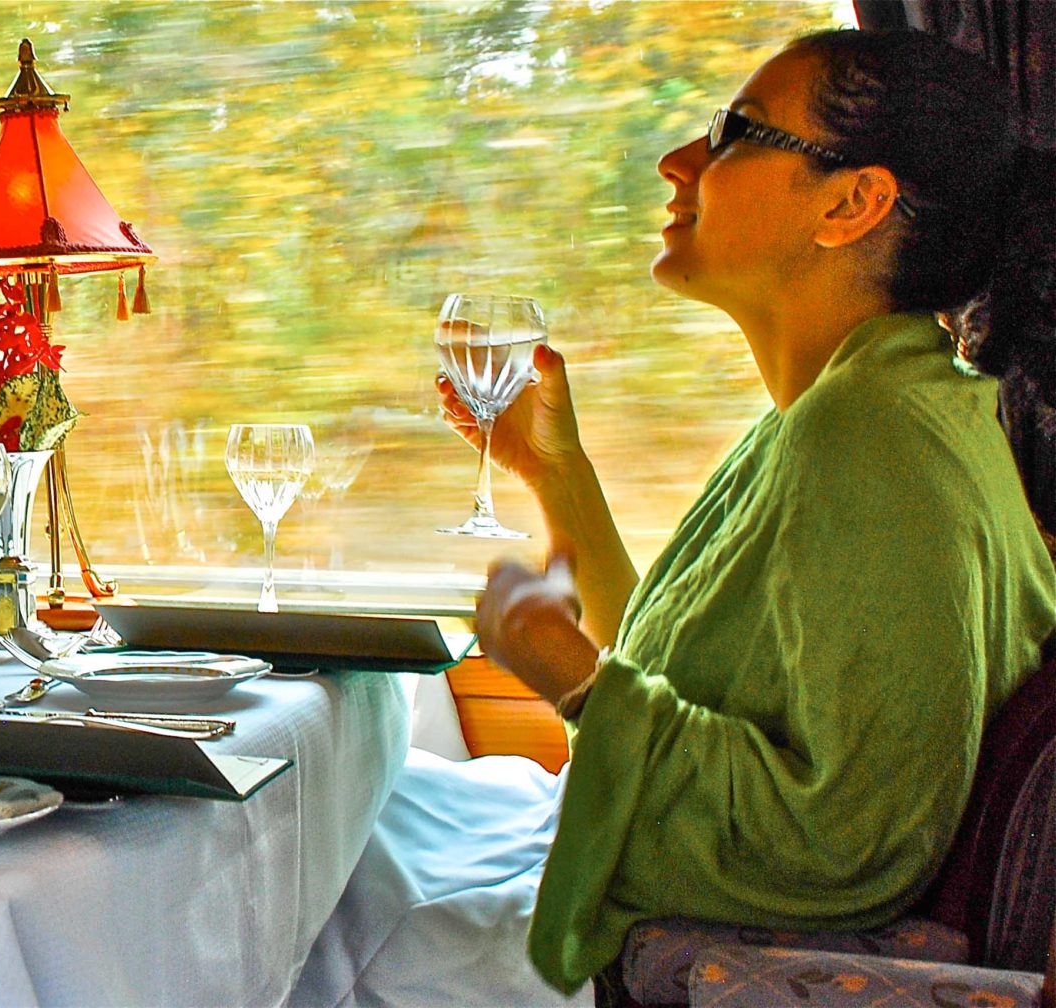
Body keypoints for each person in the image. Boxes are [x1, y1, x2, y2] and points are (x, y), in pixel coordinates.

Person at [294, 27, 1056, 1006]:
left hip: (652, 926)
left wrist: (568, 679)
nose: (676, 162)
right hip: (602, 847)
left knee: (296, 893)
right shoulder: (837, 410)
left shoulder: (872, 439)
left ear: (851, 202)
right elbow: (667, 675)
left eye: (734, 133)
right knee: (348, 827)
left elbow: (847, 840)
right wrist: (556, 475)